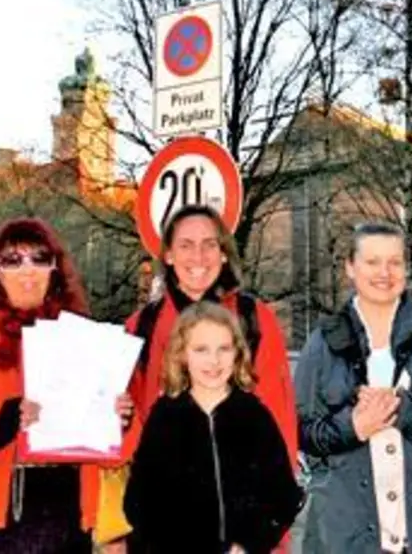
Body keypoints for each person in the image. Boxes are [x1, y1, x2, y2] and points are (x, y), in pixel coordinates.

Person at [0, 216, 131, 554]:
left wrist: (122, 419)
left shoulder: (86, 342)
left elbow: (117, 451)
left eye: (40, 258)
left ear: (55, 270)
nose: (28, 270)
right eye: (13, 260)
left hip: (65, 516)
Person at [120, 204, 298, 550]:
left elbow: (281, 431)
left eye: (210, 244)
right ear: (168, 255)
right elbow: (129, 448)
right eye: (186, 245)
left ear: (224, 253)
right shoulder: (140, 326)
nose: (198, 255)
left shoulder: (254, 319)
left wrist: (265, 538)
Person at [296, 221, 412, 553]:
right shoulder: (322, 341)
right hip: (346, 530)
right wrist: (352, 427)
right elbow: (301, 431)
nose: (385, 272)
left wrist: (405, 412)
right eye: (372, 261)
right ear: (351, 267)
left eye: (395, 262)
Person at [123, 302, 304, 553]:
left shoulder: (254, 416)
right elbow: (139, 504)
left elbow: (284, 496)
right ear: (182, 354)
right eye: (201, 350)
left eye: (224, 349)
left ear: (238, 353)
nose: (214, 361)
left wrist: (251, 542)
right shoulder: (164, 418)